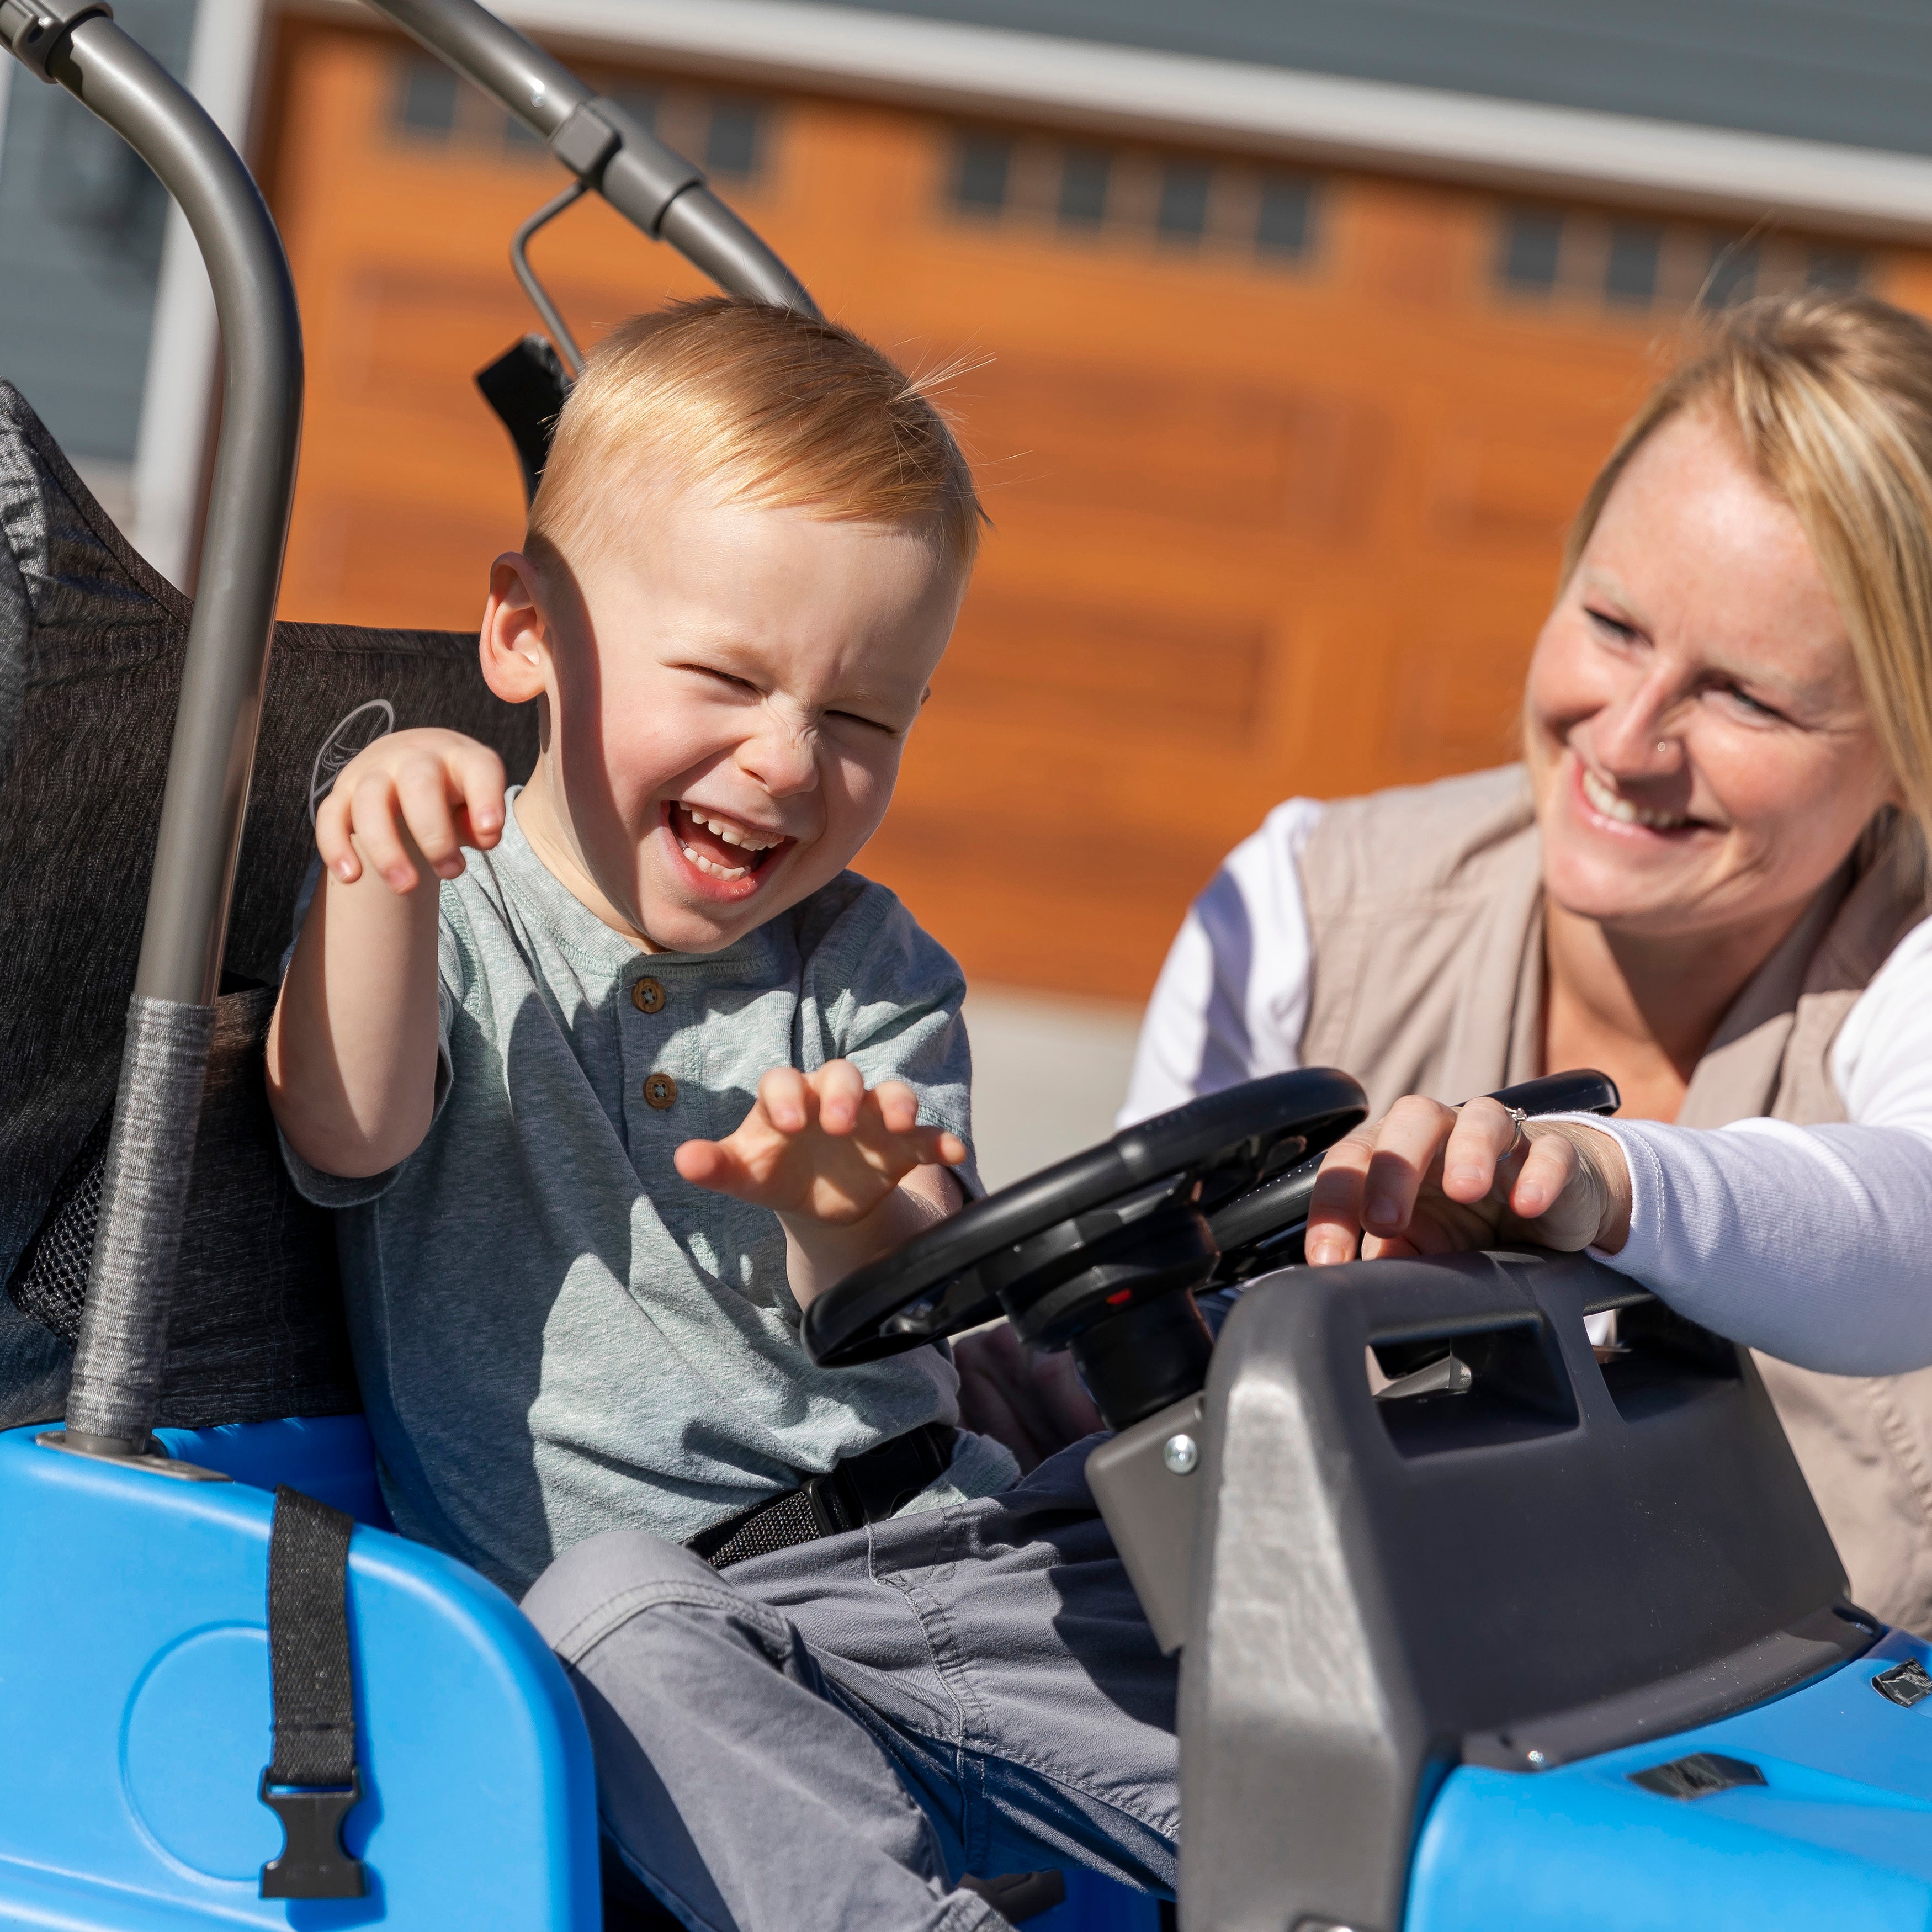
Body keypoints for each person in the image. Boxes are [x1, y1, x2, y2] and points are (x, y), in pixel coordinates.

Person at [268, 299, 1176, 1932]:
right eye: (730, 679)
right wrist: (374, 873)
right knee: (604, 1612)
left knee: (1278, 1687)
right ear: (526, 634)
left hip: (951, 1553)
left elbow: (905, 1298)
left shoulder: (867, 967)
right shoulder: (450, 916)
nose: (784, 759)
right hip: (671, 1626)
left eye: (858, 720)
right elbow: (344, 1127)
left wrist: (844, 1204)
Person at [1124, 289, 1932, 1633]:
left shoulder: (1906, 956)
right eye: (1611, 627)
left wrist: (1601, 1181)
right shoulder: (1305, 908)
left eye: (1744, 695)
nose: (1624, 741)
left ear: (1906, 752)